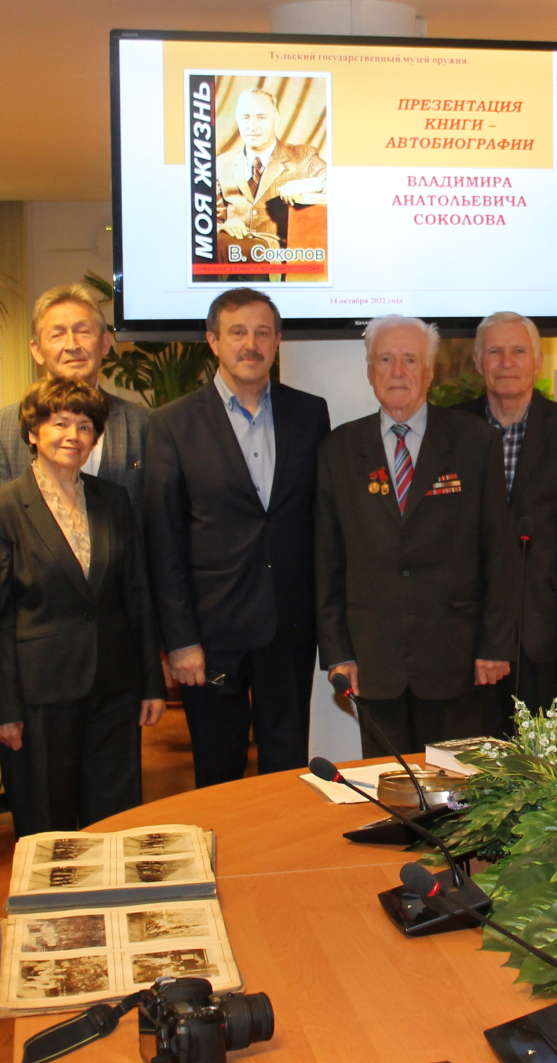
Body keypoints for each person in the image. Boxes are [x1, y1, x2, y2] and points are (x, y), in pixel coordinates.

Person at [143, 288, 330, 785]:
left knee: (288, 770)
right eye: (238, 333)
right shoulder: (172, 424)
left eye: (263, 333)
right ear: (213, 341)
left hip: (289, 628)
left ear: (278, 341)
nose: (251, 344)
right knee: (218, 771)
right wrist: (180, 641)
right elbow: (164, 542)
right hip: (212, 634)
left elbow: (319, 524)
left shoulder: (310, 414)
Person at [316, 314, 515, 753]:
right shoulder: (339, 450)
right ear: (370, 371)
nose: (397, 371)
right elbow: (327, 561)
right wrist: (338, 653)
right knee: (388, 783)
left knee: (453, 787)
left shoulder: (475, 442)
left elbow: (498, 551)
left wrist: (495, 645)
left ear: (429, 372)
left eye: (410, 360)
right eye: (385, 359)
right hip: (374, 662)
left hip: (455, 658)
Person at [0, 378, 166, 835]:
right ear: (32, 432)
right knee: (49, 829)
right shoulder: (2, 508)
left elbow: (136, 594)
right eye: (60, 423)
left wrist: (151, 683)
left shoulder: (112, 500)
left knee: (116, 822)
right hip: (39, 695)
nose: (73, 436)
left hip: (114, 688)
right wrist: (2, 707)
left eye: (85, 426)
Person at [455, 311, 557, 729]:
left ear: (538, 361)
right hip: (468, 636)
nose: (506, 363)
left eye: (518, 351)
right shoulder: (452, 428)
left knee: (539, 760)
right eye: (494, 352)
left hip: (542, 636)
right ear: (478, 362)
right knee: (468, 758)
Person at [0, 284, 149, 507]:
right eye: (57, 335)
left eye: (83, 332)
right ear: (37, 350)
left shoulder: (142, 423)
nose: (72, 345)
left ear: (105, 343)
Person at [219, 87, 327, 250]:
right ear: (237, 121)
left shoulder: (302, 157)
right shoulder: (221, 163)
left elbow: (340, 182)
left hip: (278, 254)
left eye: (261, 118)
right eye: (245, 118)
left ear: (276, 121)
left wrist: (312, 184)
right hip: (231, 249)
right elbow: (209, 219)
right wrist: (222, 227)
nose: (252, 126)